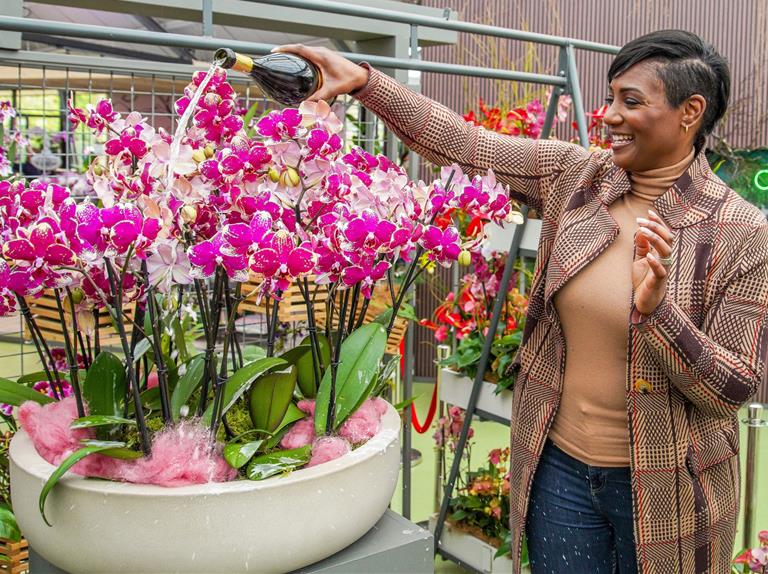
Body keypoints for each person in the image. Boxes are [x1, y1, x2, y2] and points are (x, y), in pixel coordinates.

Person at [276, 29, 768, 574]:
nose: (607, 115)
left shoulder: (742, 232)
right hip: (560, 471)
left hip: (672, 485)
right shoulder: (576, 178)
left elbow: (733, 389)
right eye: (609, 98)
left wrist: (659, 313)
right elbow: (463, 143)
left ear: (689, 112)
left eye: (631, 101)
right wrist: (366, 83)